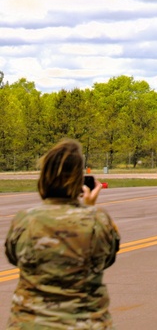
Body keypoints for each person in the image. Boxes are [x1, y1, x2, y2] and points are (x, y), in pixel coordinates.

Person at [4, 138, 120, 328]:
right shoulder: (99, 220)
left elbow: (13, 257)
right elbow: (108, 258)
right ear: (78, 181)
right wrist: (90, 209)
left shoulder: (23, 221)